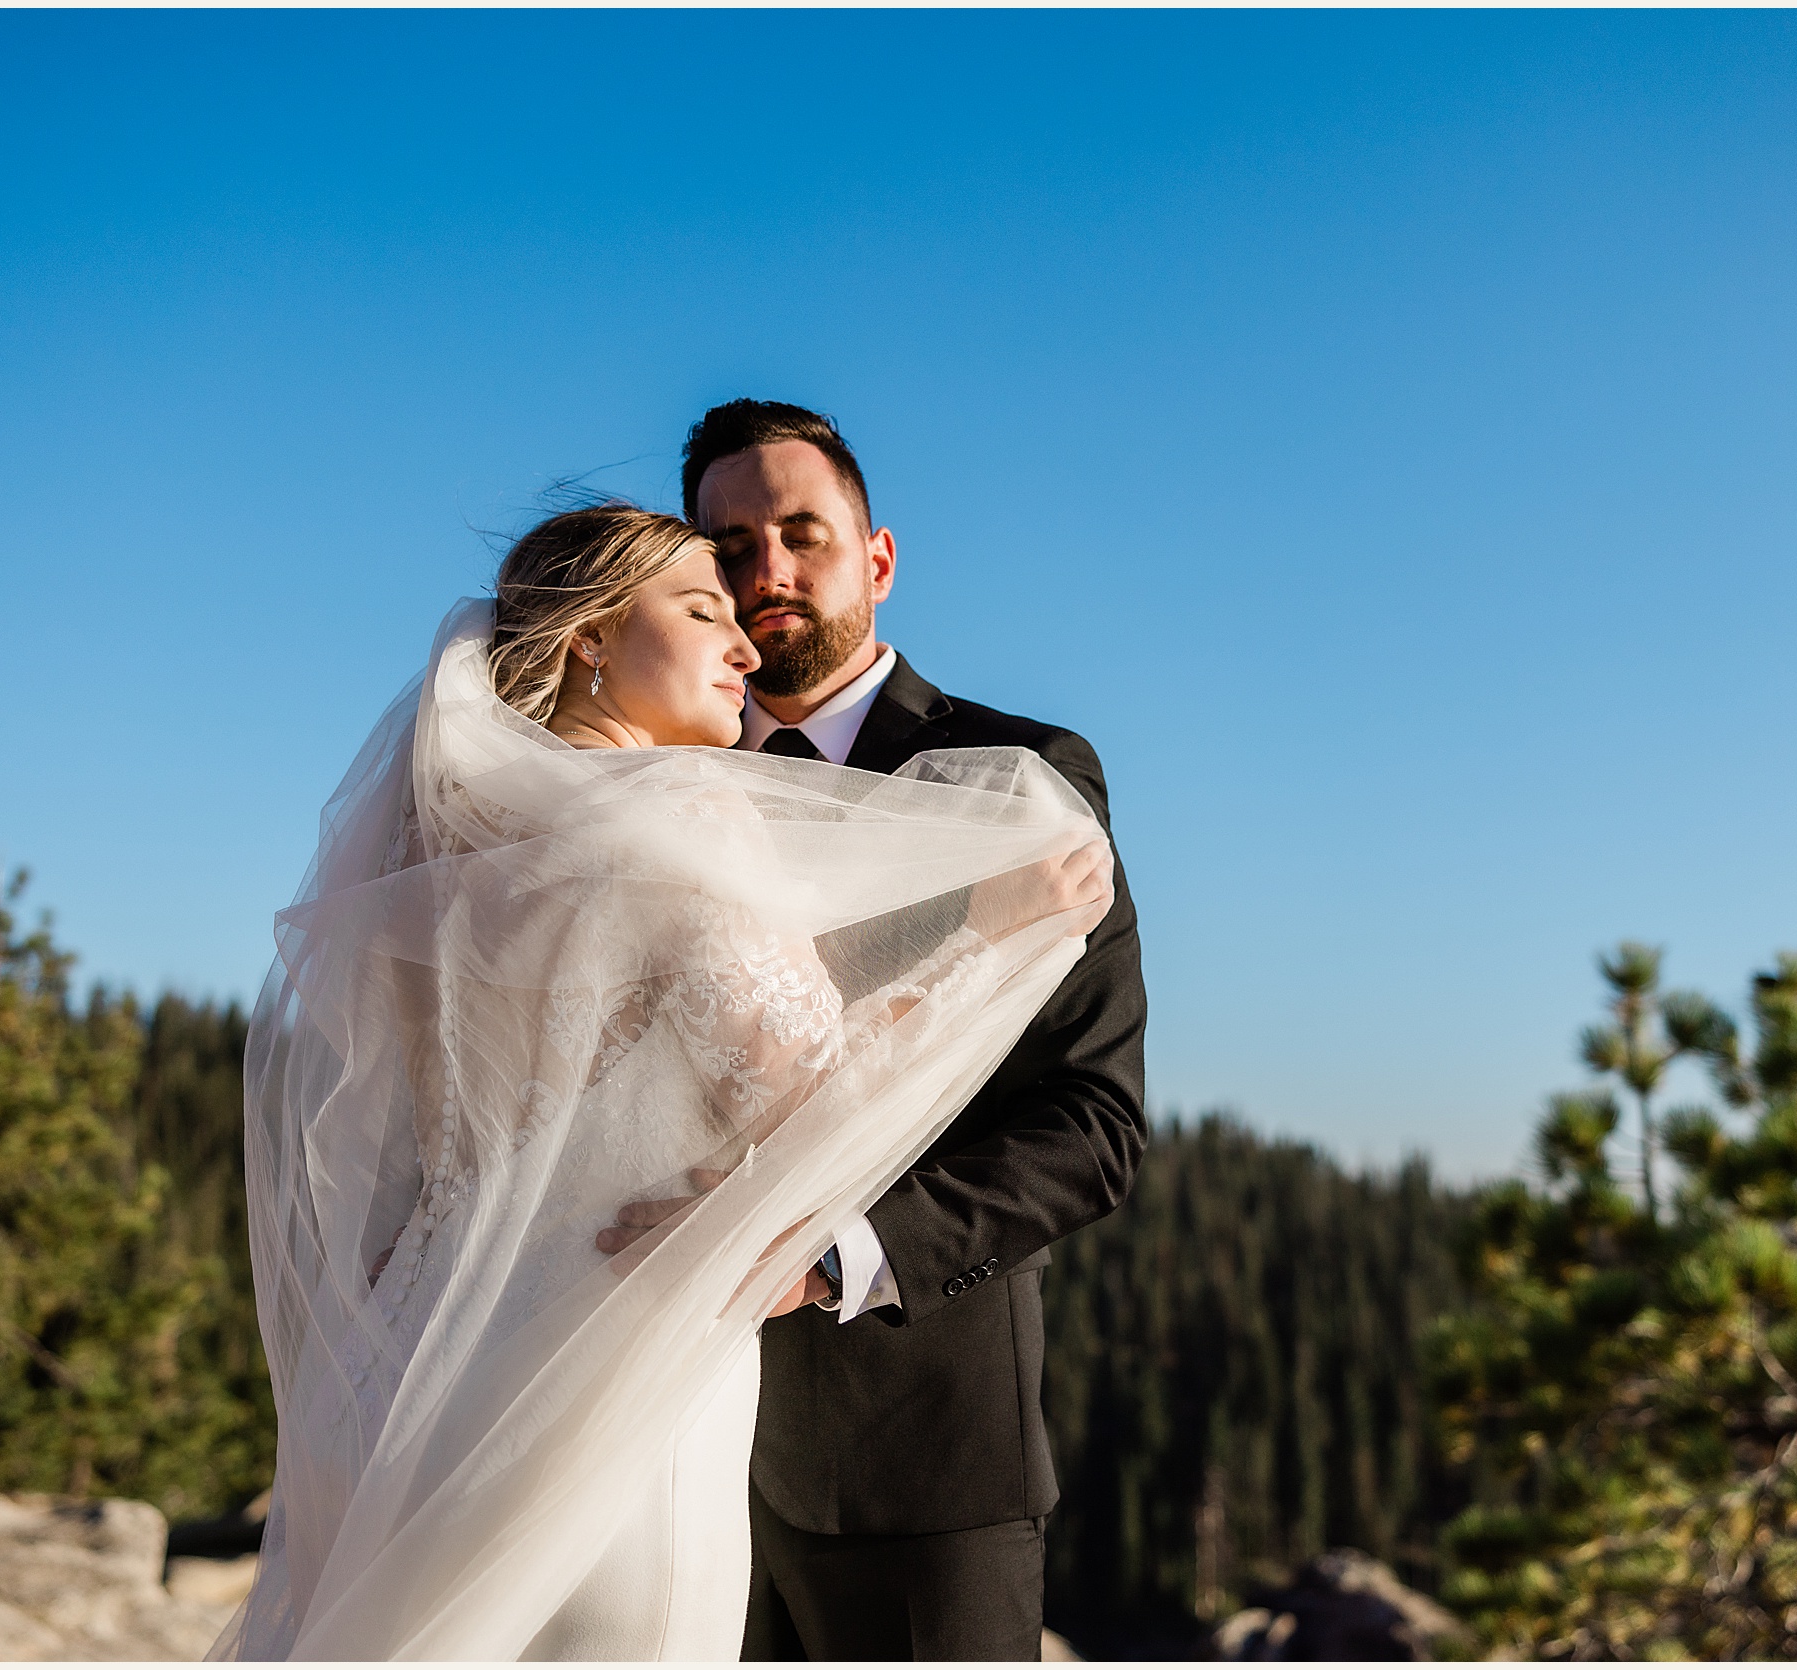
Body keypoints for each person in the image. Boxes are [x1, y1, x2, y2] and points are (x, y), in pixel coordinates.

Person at [215, 503, 1113, 1660]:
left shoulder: (436, 850)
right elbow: (808, 1088)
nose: (744, 646)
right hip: (615, 1359)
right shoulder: (688, 807)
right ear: (589, 635)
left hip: (420, 1362)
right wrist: (992, 926)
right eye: (703, 610)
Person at [599, 402, 1148, 1660]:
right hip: (658, 1448)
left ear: (878, 557)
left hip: (917, 1471)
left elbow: (1091, 1126)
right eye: (728, 548)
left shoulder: (1019, 773)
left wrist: (830, 1254)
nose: (769, 572)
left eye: (803, 532)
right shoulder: (649, 789)